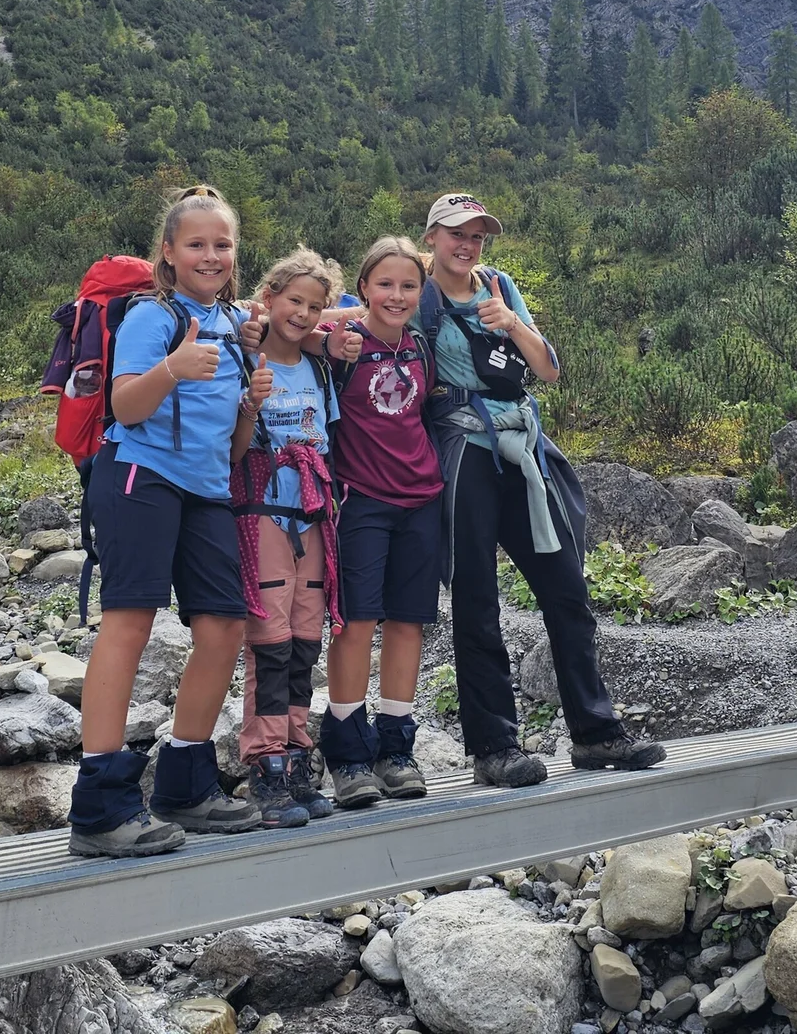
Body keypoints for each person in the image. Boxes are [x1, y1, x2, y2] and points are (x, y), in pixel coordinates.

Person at [418, 192, 665, 785]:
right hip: (465, 452)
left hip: (524, 446)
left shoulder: (499, 285)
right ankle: (494, 747)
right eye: (457, 233)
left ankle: (596, 732)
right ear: (431, 237)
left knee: (566, 590)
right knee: (477, 603)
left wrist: (511, 325)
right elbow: (365, 317)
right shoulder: (417, 293)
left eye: (477, 235)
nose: (467, 245)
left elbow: (547, 367)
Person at [67, 186, 269, 857]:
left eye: (222, 244)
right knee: (129, 623)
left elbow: (235, 449)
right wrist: (174, 368)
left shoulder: (235, 326)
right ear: (170, 252)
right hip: (139, 476)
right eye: (197, 244)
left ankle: (184, 782)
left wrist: (248, 407)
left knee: (223, 625)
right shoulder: (151, 318)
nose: (211, 256)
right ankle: (98, 805)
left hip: (207, 488)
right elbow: (125, 407)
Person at [312, 236, 447, 806]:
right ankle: (346, 749)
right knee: (356, 622)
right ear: (362, 287)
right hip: (361, 500)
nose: (396, 295)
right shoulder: (341, 347)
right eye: (384, 284)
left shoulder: (419, 344)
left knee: (408, 622)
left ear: (422, 291)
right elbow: (277, 318)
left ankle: (395, 745)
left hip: (423, 499)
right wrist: (331, 329)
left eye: (408, 285)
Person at [229, 248, 346, 828]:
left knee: (304, 639)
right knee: (270, 641)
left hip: (314, 515)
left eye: (313, 306)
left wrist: (330, 334)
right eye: (292, 300)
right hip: (263, 511)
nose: (301, 313)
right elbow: (232, 447)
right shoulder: (244, 355)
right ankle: (265, 762)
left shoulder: (319, 366)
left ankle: (299, 754)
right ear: (268, 297)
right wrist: (252, 400)